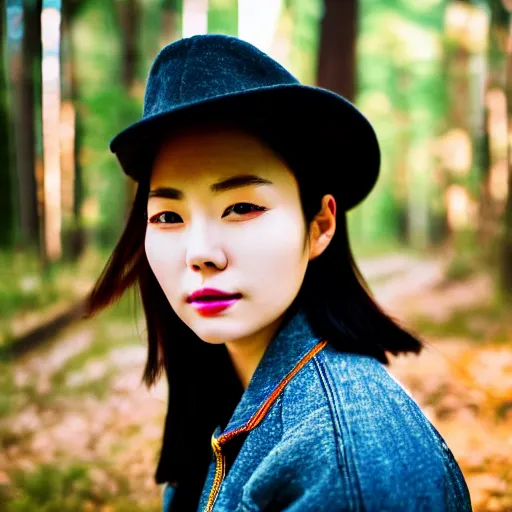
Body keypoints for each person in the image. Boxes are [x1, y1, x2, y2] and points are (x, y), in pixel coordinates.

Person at [85, 34, 472, 512]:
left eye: (242, 206)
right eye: (168, 216)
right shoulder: (219, 385)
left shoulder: (342, 462)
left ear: (320, 225)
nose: (200, 254)